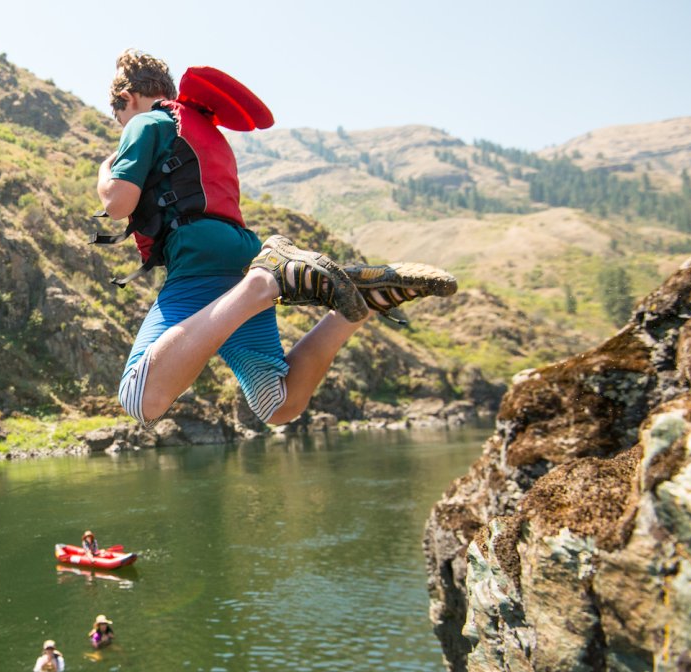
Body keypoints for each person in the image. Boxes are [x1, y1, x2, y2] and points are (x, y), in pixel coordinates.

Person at [97, 51, 457, 431]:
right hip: (239, 253)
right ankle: (361, 302)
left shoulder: (146, 122)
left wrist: (106, 171)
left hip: (199, 259)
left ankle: (264, 282)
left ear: (129, 98)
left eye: (119, 116)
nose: (122, 125)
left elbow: (118, 204)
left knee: (139, 399)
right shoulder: (204, 130)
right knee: (279, 403)